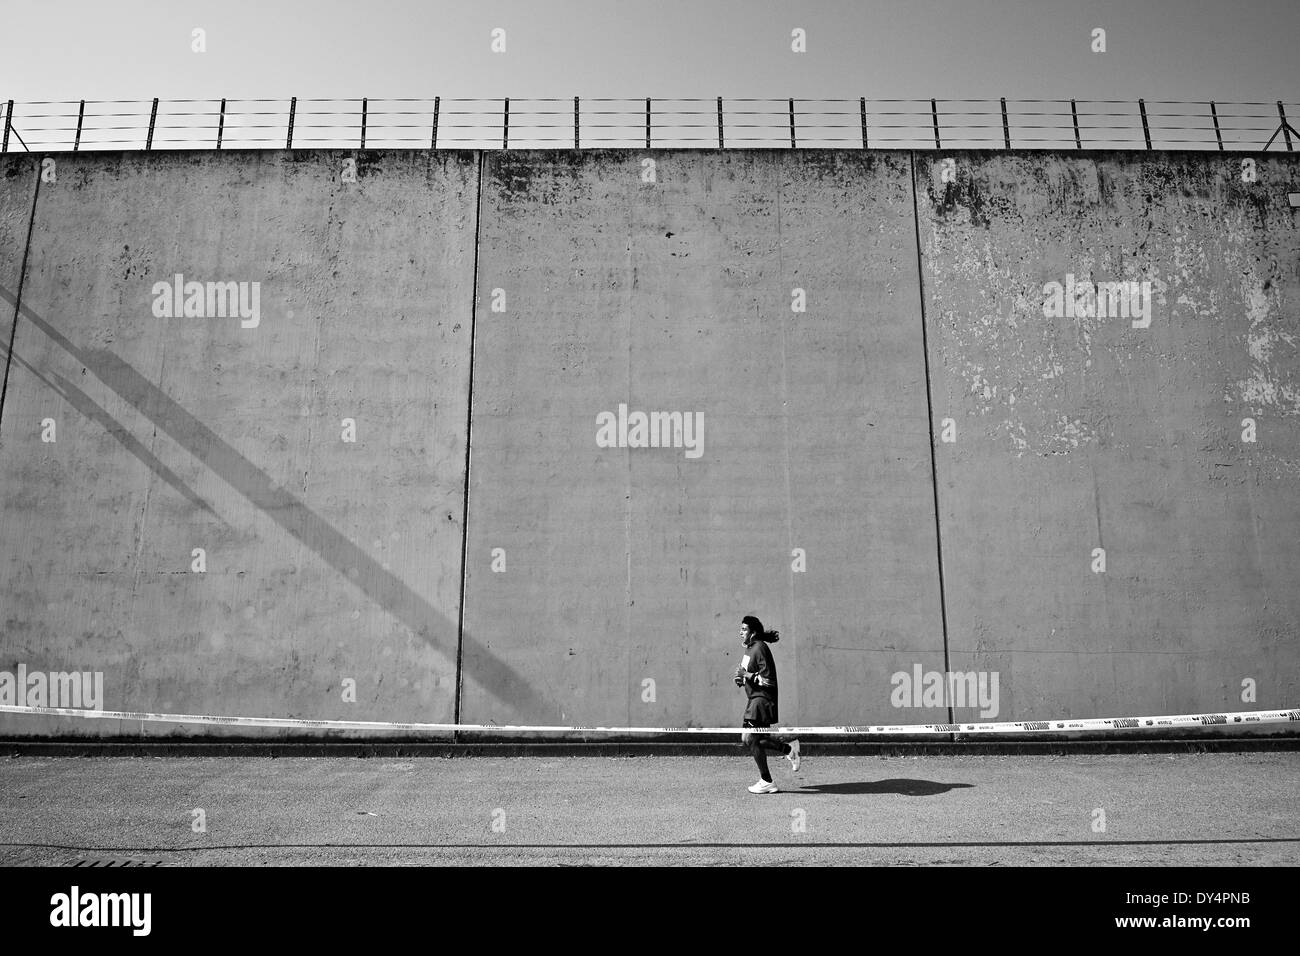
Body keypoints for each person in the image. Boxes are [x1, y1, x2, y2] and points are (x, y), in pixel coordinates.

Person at [734, 614, 800, 793]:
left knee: (750, 738)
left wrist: (748, 676)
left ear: (753, 632)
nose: (740, 632)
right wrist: (741, 679)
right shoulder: (749, 650)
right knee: (750, 739)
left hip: (762, 700)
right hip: (754, 699)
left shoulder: (760, 648)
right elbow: (748, 674)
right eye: (740, 629)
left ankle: (767, 780)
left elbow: (768, 680)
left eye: (744, 629)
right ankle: (788, 748)